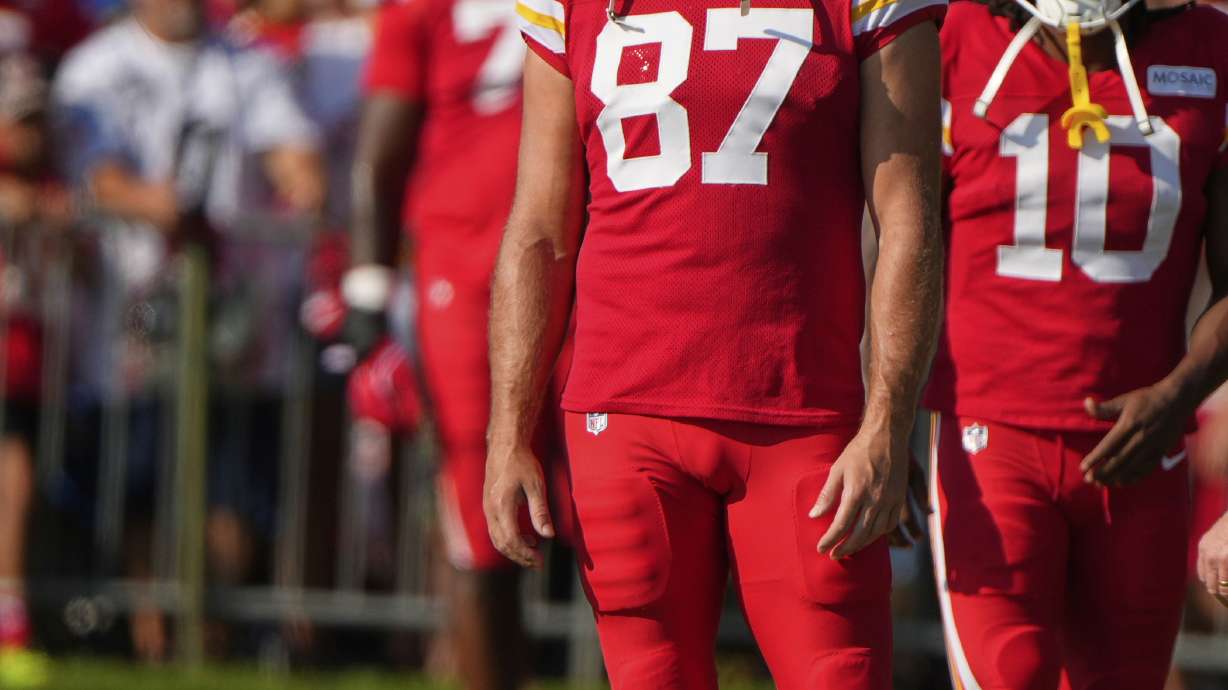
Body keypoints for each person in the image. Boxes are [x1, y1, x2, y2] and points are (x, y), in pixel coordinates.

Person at [485, 0, 946, 685]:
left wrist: (888, 420)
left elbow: (909, 217)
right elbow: (540, 227)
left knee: (839, 672)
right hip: (627, 411)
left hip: (800, 410)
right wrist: (507, 431)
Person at [926, 0, 1228, 687]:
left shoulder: (1209, 45)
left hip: (1144, 447)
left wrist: (1177, 392)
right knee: (1012, 673)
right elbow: (901, 236)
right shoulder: (957, 33)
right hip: (992, 440)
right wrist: (877, 423)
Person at [53, 0, 323, 660]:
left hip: (233, 315)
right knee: (141, 477)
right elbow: (97, 172)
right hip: (134, 314)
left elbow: (294, 153)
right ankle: (154, 635)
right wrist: (159, 206)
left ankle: (211, 633)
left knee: (233, 478)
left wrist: (302, 183)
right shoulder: (96, 66)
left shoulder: (245, 63)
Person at [343, 0, 536, 687]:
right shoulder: (420, 10)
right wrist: (366, 291)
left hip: (584, 261)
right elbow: (379, 151)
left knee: (622, 509)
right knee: (483, 516)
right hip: (466, 276)